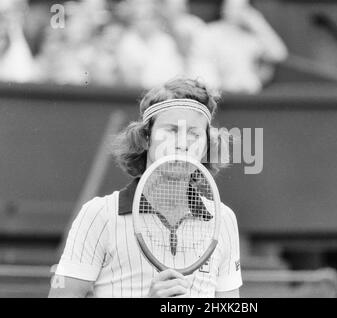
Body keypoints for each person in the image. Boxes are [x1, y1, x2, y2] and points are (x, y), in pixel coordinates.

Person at [49, 78, 242, 298]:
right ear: (146, 137)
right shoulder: (98, 215)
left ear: (206, 144)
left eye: (194, 134)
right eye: (171, 130)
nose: (182, 143)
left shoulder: (224, 219)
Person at [188, 0, 288, 93]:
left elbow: (279, 55)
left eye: (241, 7)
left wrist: (257, 22)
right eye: (231, 6)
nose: (236, 11)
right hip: (221, 95)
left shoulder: (249, 36)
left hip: (250, 93)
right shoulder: (209, 32)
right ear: (223, 7)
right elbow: (203, 68)